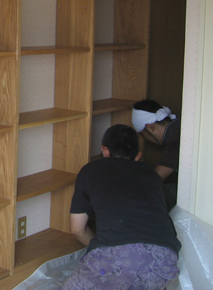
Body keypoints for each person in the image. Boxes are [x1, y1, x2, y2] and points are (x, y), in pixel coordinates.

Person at [60, 124, 181, 290]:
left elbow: (77, 229)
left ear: (105, 150)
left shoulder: (90, 170)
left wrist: (100, 247)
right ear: (138, 156)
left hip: (115, 258)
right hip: (163, 260)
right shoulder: (151, 174)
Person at [132, 99, 180, 210]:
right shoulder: (180, 127)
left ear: (151, 127)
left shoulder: (177, 140)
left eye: (143, 135)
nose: (145, 139)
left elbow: (154, 180)